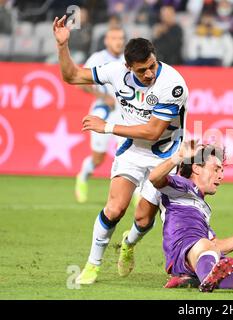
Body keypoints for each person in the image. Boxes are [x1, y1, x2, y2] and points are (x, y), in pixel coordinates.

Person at [52, 15, 189, 285]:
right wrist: (62, 46)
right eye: (141, 71)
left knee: (143, 217)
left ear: (155, 57)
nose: (149, 73)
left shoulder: (172, 84)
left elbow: (153, 131)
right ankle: (92, 265)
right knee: (114, 209)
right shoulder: (116, 72)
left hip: (163, 155)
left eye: (151, 66)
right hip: (132, 152)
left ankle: (129, 243)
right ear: (128, 67)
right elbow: (71, 76)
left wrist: (107, 127)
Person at [149, 141, 233, 292]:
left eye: (222, 171)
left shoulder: (204, 208)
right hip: (183, 252)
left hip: (207, 256)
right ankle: (206, 279)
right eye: (216, 169)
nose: (221, 176)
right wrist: (179, 156)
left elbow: (217, 246)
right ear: (196, 168)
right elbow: (154, 178)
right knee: (205, 245)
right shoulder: (182, 185)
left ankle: (199, 279)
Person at [75, 26, 126, 204]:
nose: (118, 42)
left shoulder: (128, 59)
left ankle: (137, 194)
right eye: (114, 38)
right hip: (102, 112)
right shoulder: (97, 58)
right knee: (99, 158)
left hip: (125, 113)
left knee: (130, 154)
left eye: (121, 38)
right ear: (106, 40)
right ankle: (83, 176)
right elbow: (80, 82)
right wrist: (102, 97)